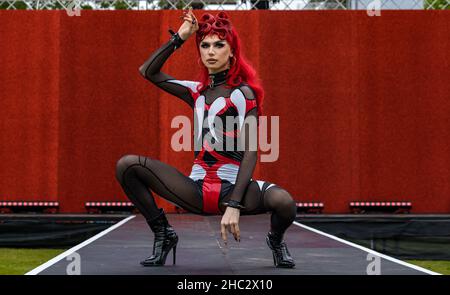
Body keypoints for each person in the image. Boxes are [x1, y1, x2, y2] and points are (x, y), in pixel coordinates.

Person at [115, 7, 296, 268]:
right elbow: (148, 71)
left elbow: (251, 151)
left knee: (285, 203)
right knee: (127, 166)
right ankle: (163, 233)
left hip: (235, 189)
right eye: (205, 45)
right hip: (196, 190)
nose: (211, 51)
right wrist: (180, 37)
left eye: (219, 45)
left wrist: (234, 204)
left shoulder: (244, 94)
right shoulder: (195, 92)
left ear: (231, 51)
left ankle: (276, 240)